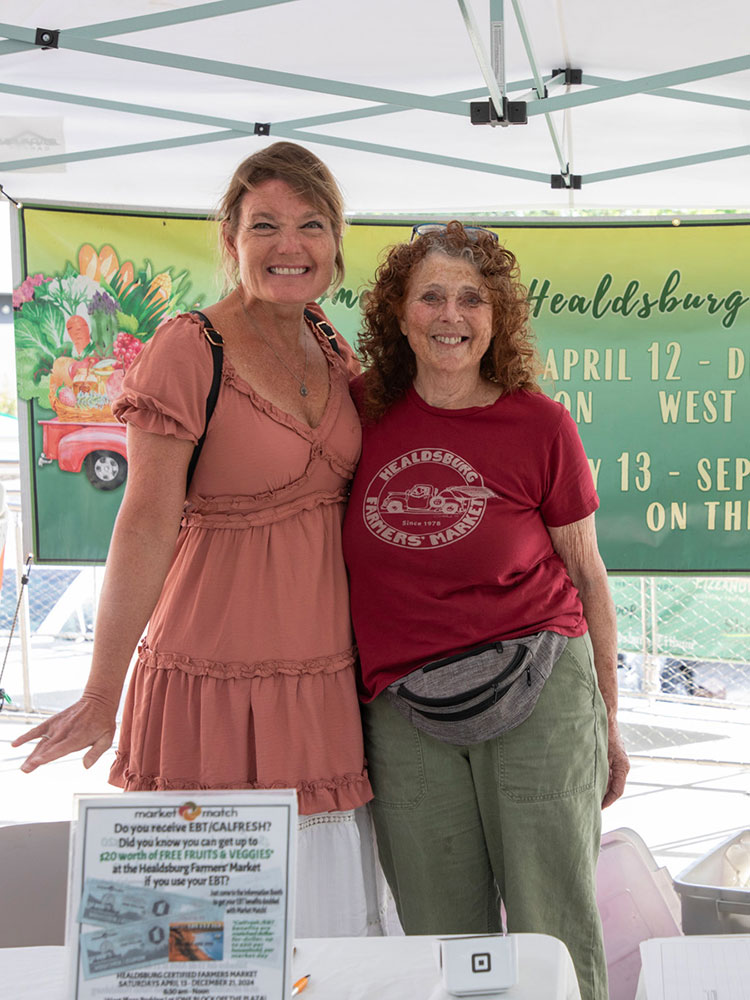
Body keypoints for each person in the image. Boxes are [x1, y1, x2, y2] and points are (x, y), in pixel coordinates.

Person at [13, 141, 380, 937]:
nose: (290, 246)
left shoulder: (330, 342)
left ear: (336, 240)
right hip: (208, 687)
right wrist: (103, 692)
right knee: (196, 949)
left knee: (322, 941)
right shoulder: (191, 347)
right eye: (265, 226)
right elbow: (142, 526)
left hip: (320, 687)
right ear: (230, 239)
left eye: (311, 225)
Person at [342, 222, 630, 999]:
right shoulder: (356, 413)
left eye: (472, 298)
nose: (451, 314)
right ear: (398, 315)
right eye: (430, 295)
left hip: (541, 690)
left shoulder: (539, 424)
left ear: (496, 318)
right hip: (404, 708)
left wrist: (608, 713)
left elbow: (588, 575)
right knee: (439, 935)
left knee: (553, 928)